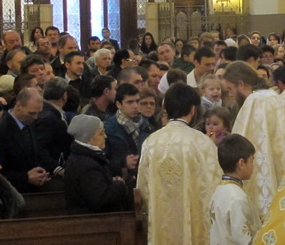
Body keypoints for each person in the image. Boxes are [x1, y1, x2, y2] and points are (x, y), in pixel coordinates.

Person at [138, 83, 221, 245]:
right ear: (192, 109)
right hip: (195, 222)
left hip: (161, 223)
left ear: (164, 107)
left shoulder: (151, 142)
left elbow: (143, 189)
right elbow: (215, 186)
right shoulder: (202, 142)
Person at [223, 61, 285, 218]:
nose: (231, 95)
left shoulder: (254, 102)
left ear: (240, 84)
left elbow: (242, 143)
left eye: (230, 89)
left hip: (261, 180)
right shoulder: (275, 97)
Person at [63, 115, 129, 213]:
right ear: (89, 137)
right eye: (101, 133)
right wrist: (119, 185)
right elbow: (100, 200)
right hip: (94, 224)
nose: (105, 136)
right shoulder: (86, 166)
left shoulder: (85, 157)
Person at [0, 88, 52, 193]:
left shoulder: (29, 123)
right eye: (32, 113)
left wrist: (40, 173)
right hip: (12, 193)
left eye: (38, 113)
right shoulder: (1, 130)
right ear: (19, 106)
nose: (36, 117)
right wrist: (25, 177)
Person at [209, 134, 261, 244]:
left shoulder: (219, 190)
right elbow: (243, 239)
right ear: (241, 163)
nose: (253, 166)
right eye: (252, 160)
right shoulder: (237, 198)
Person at [103, 83, 149, 185]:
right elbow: (102, 161)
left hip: (143, 181)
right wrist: (123, 163)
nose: (135, 106)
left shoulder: (146, 126)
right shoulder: (108, 128)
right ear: (119, 104)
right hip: (120, 184)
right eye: (130, 102)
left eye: (137, 101)